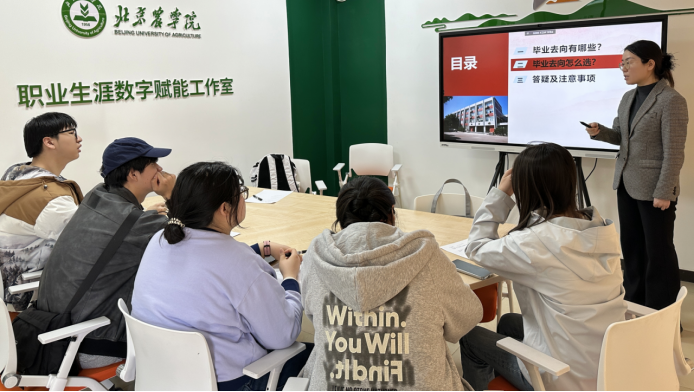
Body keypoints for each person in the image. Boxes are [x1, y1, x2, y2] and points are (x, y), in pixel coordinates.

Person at [460, 143, 626, 391]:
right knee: (508, 322)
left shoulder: (533, 243)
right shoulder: (598, 226)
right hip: (605, 361)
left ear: (525, 188)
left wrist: (501, 194)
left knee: (470, 338)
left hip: (563, 378)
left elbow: (475, 247)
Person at [132, 161, 309, 391]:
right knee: (316, 354)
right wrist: (291, 278)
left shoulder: (159, 240)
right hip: (230, 383)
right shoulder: (239, 263)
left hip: (161, 377)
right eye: (241, 192)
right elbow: (283, 334)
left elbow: (208, 262)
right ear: (225, 208)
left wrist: (260, 248)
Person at [299, 176, 483, 391]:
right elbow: (468, 316)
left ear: (341, 219)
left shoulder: (316, 256)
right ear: (392, 214)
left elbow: (312, 315)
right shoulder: (426, 256)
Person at [37, 137, 175, 369]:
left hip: (55, 328)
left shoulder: (97, 195)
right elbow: (185, 235)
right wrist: (172, 194)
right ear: (133, 174)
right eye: (154, 163)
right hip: (89, 343)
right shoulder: (132, 222)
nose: (160, 169)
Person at [586, 40, 688, 310]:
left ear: (650, 64)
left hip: (656, 190)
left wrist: (664, 192)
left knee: (659, 252)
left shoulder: (671, 100)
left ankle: (661, 312)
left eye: (628, 62)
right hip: (626, 184)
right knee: (631, 248)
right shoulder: (627, 98)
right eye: (622, 63)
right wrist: (600, 132)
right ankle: (634, 304)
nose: (623, 67)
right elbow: (622, 137)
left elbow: (674, 152)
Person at [0, 112, 83, 312]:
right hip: (30, 299)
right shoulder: (51, 199)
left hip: (10, 287)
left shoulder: (18, 174)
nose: (79, 138)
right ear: (49, 142)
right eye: (72, 132)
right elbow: (88, 242)